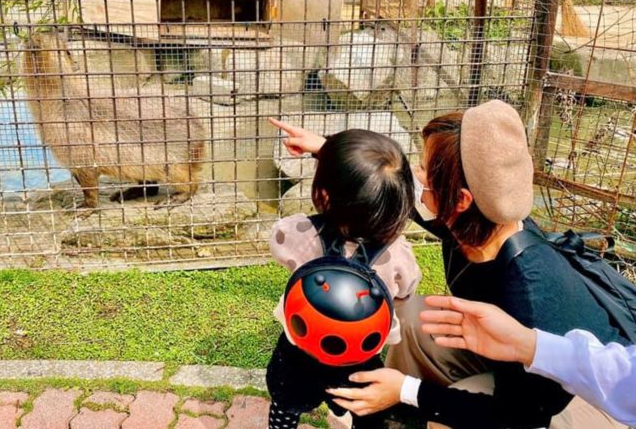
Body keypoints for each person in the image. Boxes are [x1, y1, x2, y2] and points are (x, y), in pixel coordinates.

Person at [271, 100, 627, 429]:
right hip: (507, 358)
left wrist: (408, 391)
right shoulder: (482, 219)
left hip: (572, 405)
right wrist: (329, 151)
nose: (418, 180)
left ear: (460, 199)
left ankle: (400, 399)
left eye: (426, 172)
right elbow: (390, 194)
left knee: (449, 423)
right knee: (411, 318)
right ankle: (388, 410)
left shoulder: (530, 294)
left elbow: (519, 414)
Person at [266, 129, 421, 429]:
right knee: (363, 406)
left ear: (323, 194)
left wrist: (325, 154)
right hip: (359, 355)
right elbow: (405, 292)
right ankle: (342, 415)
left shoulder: (295, 232)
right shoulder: (400, 256)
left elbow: (278, 245)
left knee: (286, 401)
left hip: (299, 347)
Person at [419, 295, 636, 426]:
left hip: (578, 406)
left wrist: (406, 390)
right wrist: (523, 344)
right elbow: (616, 373)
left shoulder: (529, 287)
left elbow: (521, 416)